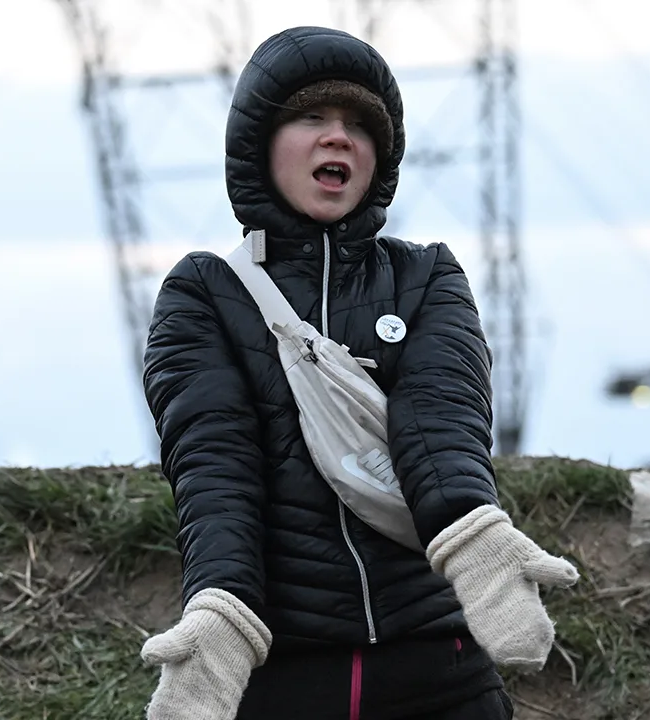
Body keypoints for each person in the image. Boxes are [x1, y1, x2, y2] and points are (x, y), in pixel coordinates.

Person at [140, 26, 577, 720]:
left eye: (359, 127)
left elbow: (442, 418)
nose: (338, 138)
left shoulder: (427, 276)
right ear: (259, 145)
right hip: (286, 675)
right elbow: (214, 463)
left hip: (441, 667)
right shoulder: (204, 295)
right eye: (311, 118)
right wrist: (222, 608)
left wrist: (475, 537)